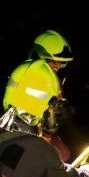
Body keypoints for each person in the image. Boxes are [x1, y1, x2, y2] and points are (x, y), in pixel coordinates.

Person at [29, 28, 74, 161]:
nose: (58, 66)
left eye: (61, 62)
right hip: (27, 132)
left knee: (65, 154)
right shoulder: (30, 76)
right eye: (53, 61)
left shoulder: (55, 80)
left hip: (45, 131)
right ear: (38, 56)